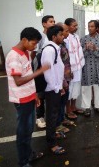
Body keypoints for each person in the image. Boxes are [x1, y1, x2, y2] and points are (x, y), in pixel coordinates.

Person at [6, 27, 49, 167]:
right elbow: (18, 81)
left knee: (29, 129)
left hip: (29, 97)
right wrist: (39, 72)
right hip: (21, 100)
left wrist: (35, 94)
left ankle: (29, 154)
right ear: (24, 40)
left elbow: (28, 76)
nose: (35, 46)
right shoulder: (14, 56)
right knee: (23, 132)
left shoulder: (25, 52)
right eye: (33, 43)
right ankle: (23, 162)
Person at [41, 25, 66, 155]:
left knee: (54, 113)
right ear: (53, 37)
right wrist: (56, 87)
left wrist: (60, 86)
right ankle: (52, 144)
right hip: (51, 89)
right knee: (51, 115)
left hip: (56, 87)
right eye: (61, 35)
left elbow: (57, 69)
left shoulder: (55, 48)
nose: (63, 37)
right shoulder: (49, 50)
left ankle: (53, 134)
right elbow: (47, 71)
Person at [80, 20, 99, 117]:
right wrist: (86, 48)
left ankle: (98, 106)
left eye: (92, 26)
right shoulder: (83, 39)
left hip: (98, 67)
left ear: (97, 28)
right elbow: (80, 54)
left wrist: (95, 49)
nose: (90, 28)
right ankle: (87, 108)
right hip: (86, 67)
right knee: (86, 88)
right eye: (89, 26)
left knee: (98, 87)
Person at [34, 15, 55, 129]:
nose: (53, 23)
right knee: (41, 93)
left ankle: (50, 117)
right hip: (41, 69)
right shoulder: (41, 37)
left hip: (51, 69)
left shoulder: (52, 36)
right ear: (44, 24)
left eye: (54, 21)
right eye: (50, 21)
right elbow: (35, 54)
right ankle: (39, 117)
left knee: (50, 92)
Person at [64, 18, 85, 119]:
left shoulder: (76, 36)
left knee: (76, 87)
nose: (76, 27)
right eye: (74, 26)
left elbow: (78, 51)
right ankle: (68, 110)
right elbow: (65, 55)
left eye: (76, 25)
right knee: (70, 88)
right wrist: (68, 70)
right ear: (67, 26)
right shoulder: (65, 39)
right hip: (70, 69)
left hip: (78, 67)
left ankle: (73, 107)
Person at [55, 23, 73, 134]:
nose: (67, 33)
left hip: (66, 77)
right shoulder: (55, 47)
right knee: (58, 102)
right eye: (65, 31)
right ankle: (57, 125)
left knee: (63, 100)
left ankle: (62, 119)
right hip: (60, 79)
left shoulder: (64, 44)